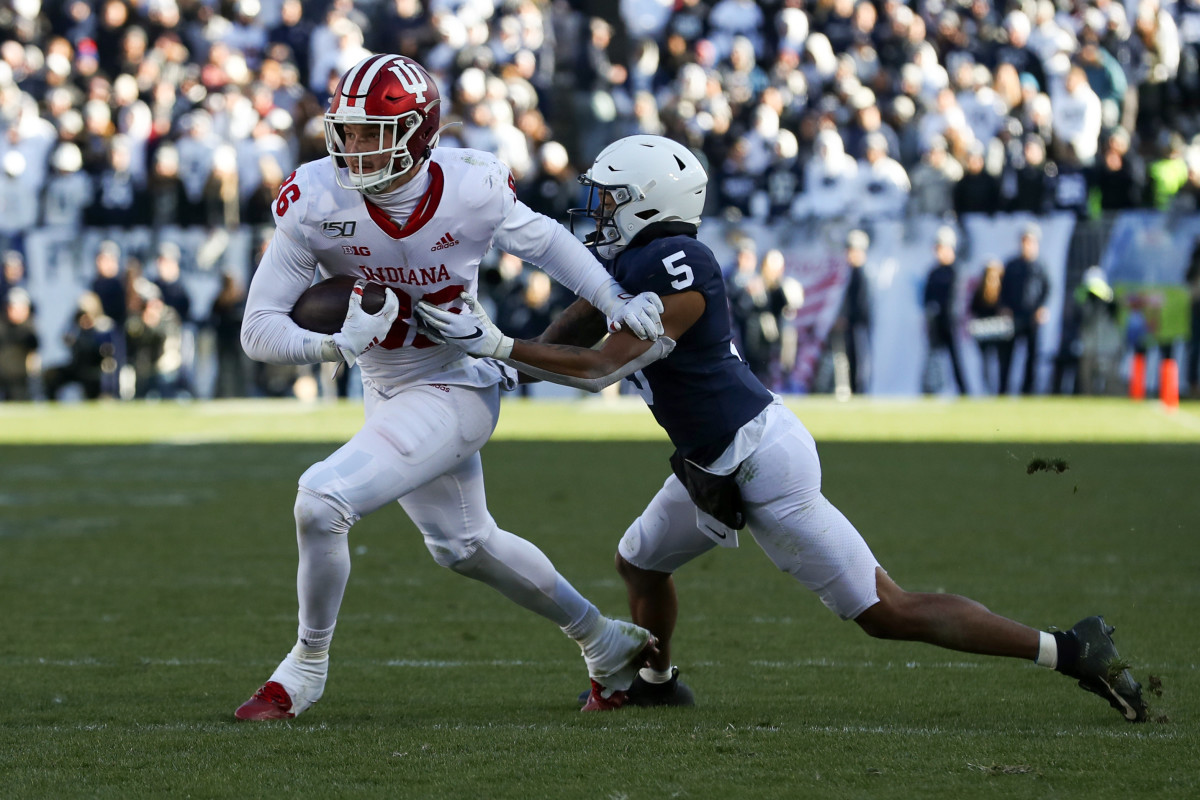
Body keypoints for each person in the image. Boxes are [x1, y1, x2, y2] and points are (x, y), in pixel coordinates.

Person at [417, 133, 1147, 722]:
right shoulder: (637, 258)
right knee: (640, 562)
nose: (596, 210)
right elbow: (585, 310)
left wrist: (500, 346)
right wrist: (519, 358)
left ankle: (1070, 649)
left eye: (608, 199)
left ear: (647, 203)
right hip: (712, 462)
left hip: (762, 461)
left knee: (887, 611)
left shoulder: (679, 262)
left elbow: (603, 366)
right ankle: (654, 682)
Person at [233, 55, 666, 720]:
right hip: (387, 386)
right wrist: (335, 345)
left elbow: (547, 242)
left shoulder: (470, 184)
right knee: (465, 546)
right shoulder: (316, 198)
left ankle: (305, 667)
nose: (353, 146)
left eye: (373, 131)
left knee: (321, 501)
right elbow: (258, 328)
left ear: (418, 132)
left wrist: (613, 296)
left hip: (458, 382)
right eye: (346, 130)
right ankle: (603, 641)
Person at [999, 224, 1051, 395]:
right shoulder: (1012, 265)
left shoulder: (1040, 266)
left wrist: (1042, 308)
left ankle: (1028, 391)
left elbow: (1047, 288)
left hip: (1032, 317)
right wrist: (1005, 307)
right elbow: (1003, 289)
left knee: (1032, 357)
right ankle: (1004, 390)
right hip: (1014, 316)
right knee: (1008, 356)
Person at [922, 226, 967, 395]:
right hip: (936, 322)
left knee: (957, 360)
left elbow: (956, 299)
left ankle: (963, 391)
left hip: (952, 322)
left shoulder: (955, 270)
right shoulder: (933, 272)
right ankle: (931, 389)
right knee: (933, 359)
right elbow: (927, 297)